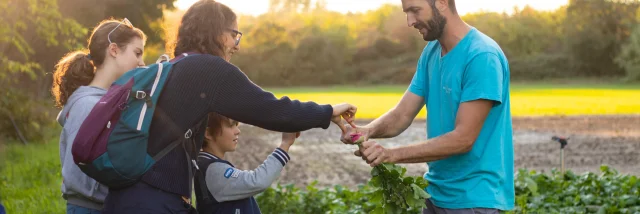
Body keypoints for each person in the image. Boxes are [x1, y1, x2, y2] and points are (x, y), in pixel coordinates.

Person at [101, 1, 357, 213]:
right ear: (216, 32)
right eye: (234, 34)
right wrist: (328, 111)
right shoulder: (209, 70)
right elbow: (272, 110)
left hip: (125, 198)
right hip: (153, 202)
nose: (237, 44)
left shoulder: (176, 66)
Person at [341, 0, 514, 213]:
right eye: (407, 12)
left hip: (474, 200)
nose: (409, 21)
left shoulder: (481, 56)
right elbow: (402, 114)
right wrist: (367, 131)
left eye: (415, 11)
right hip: (435, 194)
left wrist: (391, 155)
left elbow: (463, 139)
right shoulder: (432, 52)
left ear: (441, 3)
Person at [52, 18, 146, 213]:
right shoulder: (87, 105)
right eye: (137, 53)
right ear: (114, 50)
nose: (142, 62)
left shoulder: (107, 101)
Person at [194, 113, 298, 214]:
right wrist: (285, 144)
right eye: (231, 126)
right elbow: (257, 181)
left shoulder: (205, 164)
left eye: (236, 125)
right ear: (207, 133)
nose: (237, 131)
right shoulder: (213, 170)